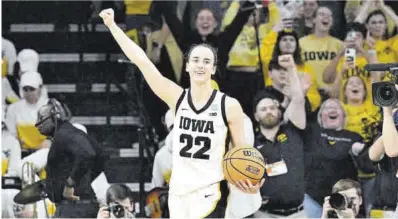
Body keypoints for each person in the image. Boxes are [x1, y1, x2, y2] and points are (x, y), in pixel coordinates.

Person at [100, 8, 264, 218]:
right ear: (187, 67)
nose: (201, 65)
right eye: (195, 60)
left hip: (215, 199)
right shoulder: (177, 98)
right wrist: (113, 27)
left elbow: (241, 154)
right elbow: (142, 61)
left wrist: (250, 177)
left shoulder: (230, 106)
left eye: (207, 61)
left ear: (214, 68)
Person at [35, 98, 100, 218]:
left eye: (41, 119)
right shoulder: (65, 134)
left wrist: (70, 183)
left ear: (55, 117)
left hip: (74, 208)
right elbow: (99, 157)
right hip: (73, 207)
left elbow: (88, 153)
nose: (37, 125)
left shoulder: (65, 133)